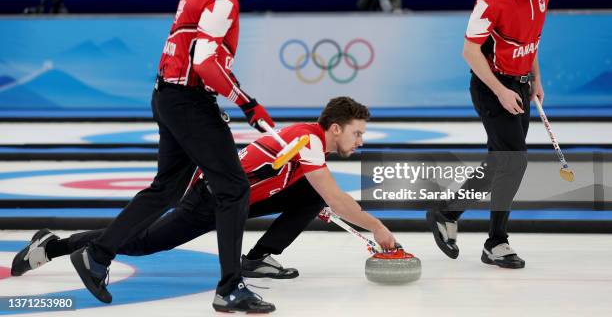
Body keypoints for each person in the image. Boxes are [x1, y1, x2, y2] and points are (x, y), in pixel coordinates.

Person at [66, 0, 278, 313]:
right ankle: (230, 288)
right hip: (189, 101)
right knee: (233, 189)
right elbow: (206, 63)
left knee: (165, 189)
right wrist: (248, 104)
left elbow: (194, 53)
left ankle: (96, 255)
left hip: (168, 95)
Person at [12, 97, 398, 300]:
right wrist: (378, 227)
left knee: (313, 196)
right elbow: (336, 194)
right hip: (210, 198)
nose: (361, 141)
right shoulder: (309, 140)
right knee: (144, 243)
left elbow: (320, 193)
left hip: (240, 196)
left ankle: (258, 259)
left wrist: (324, 203)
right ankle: (53, 245)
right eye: (358, 133)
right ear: (335, 128)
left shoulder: (311, 141)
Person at [426, 0, 553, 269]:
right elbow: (469, 52)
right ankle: (496, 241)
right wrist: (499, 90)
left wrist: (536, 79)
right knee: (515, 160)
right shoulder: (490, 0)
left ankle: (447, 212)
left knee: (500, 160)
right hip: (491, 87)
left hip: (521, 86)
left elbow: (532, 42)